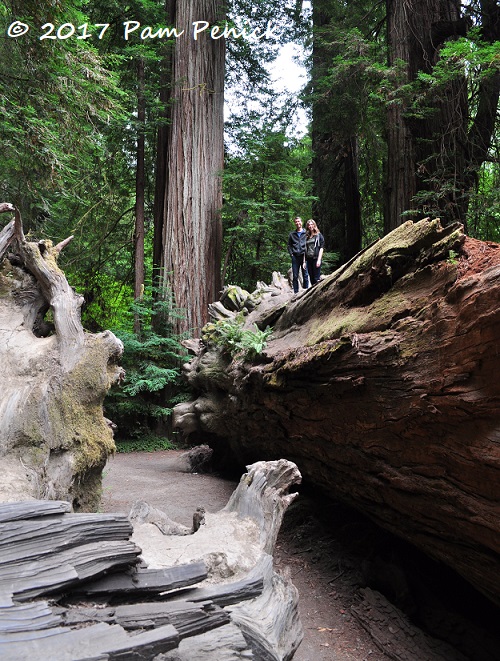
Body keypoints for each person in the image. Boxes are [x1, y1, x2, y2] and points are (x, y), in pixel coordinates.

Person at [287, 216, 309, 294]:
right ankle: (296, 293)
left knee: (305, 275)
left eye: (299, 221)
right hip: (295, 257)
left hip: (304, 257)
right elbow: (289, 245)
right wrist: (291, 254)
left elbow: (309, 243)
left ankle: (306, 291)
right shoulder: (292, 234)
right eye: (296, 222)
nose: (297, 223)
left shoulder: (306, 233)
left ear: (301, 222)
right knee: (295, 276)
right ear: (294, 223)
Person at [305, 219, 324, 286]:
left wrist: (319, 260)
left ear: (314, 225)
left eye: (312, 224)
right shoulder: (307, 236)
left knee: (316, 278)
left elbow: (321, 248)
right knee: (311, 278)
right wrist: (304, 261)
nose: (310, 226)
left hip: (316, 258)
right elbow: (305, 249)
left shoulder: (319, 235)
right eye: (309, 225)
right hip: (309, 259)